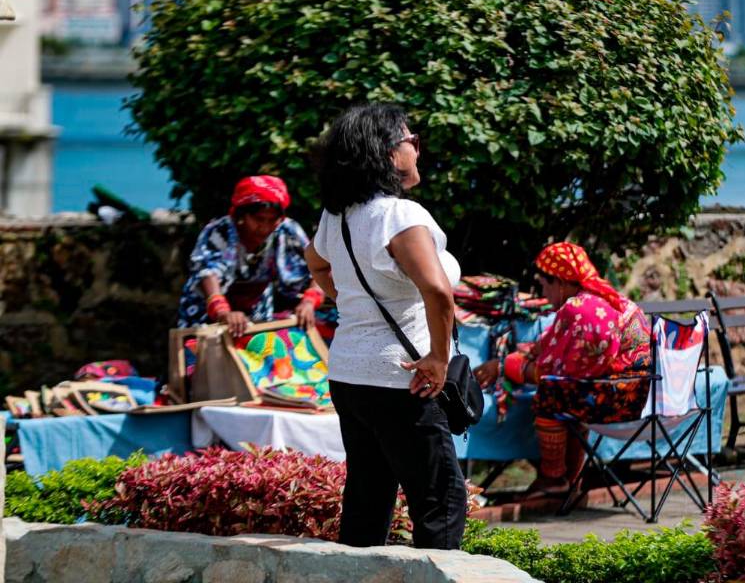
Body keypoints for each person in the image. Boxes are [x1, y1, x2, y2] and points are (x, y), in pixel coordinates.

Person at [304, 103, 466, 549]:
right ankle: (438, 576)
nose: (417, 149)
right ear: (389, 152)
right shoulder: (400, 216)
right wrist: (438, 359)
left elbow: (316, 263)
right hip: (401, 380)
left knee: (368, 495)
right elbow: (438, 292)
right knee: (440, 499)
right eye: (412, 140)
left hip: (349, 375)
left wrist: (351, 303)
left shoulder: (337, 216)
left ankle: (354, 575)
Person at [474, 242, 652, 495]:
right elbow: (552, 344)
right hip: (638, 395)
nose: (543, 293)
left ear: (559, 282)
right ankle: (572, 480)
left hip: (617, 399)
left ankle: (553, 478)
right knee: (570, 397)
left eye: (544, 285)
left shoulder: (581, 309)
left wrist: (503, 367)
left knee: (552, 393)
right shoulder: (606, 298)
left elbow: (552, 374)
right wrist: (519, 357)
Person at [178, 175, 324, 337]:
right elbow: (208, 272)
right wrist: (223, 312)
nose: (265, 227)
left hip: (257, 312)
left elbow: (318, 267)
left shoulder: (287, 230)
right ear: (241, 215)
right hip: (207, 312)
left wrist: (309, 302)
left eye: (272, 220)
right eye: (259, 219)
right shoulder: (219, 231)